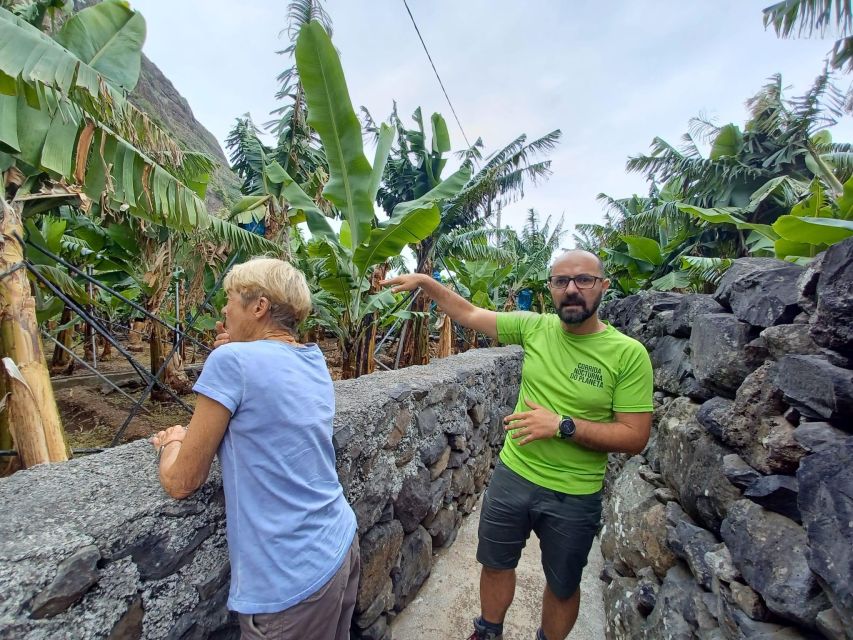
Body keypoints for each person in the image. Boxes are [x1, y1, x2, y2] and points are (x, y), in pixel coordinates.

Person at [382, 250, 653, 640]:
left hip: (575, 493)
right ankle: (488, 630)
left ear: (603, 286)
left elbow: (634, 436)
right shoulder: (534, 327)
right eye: (561, 281)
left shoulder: (628, 354)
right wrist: (426, 283)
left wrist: (562, 425)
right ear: (552, 289)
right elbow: (470, 314)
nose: (572, 289)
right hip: (514, 476)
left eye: (583, 280)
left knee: (562, 585)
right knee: (495, 563)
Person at [149, 257, 359, 640]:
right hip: (339, 544)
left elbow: (182, 481)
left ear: (258, 306)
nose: (224, 310)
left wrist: (172, 442)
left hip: (289, 582)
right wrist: (238, 348)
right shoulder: (313, 361)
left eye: (230, 300)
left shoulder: (231, 361)